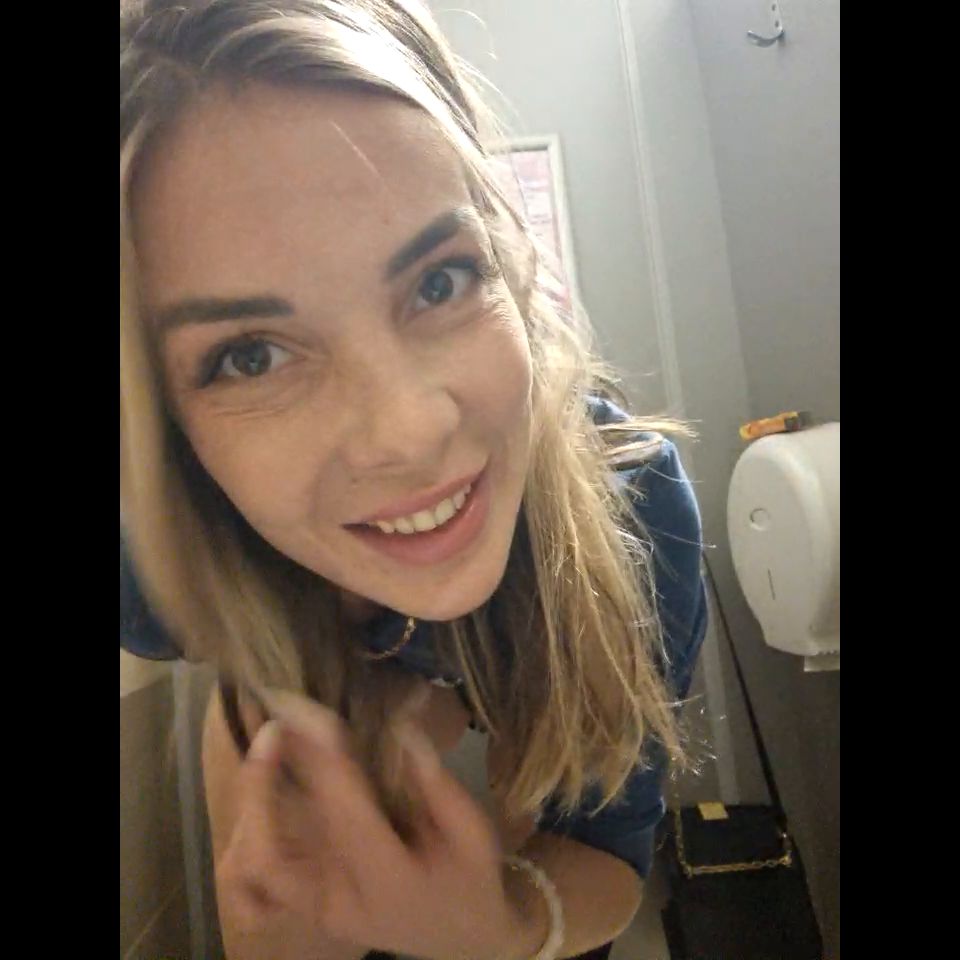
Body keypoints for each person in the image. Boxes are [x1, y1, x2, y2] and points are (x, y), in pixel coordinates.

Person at [119, 2, 708, 958]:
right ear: (167, 421)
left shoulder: (634, 507)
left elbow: (608, 853)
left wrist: (502, 926)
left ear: (511, 260)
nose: (411, 429)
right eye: (252, 355)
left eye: (440, 281)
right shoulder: (150, 567)